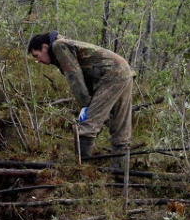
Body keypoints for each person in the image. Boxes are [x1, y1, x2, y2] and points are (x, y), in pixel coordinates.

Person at [27, 31, 134, 168]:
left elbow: (74, 76)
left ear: (44, 47)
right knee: (121, 128)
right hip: (124, 71)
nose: (38, 61)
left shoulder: (58, 46)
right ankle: (119, 172)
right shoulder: (66, 44)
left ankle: (82, 171)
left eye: (37, 56)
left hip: (111, 75)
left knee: (88, 125)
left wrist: (85, 105)